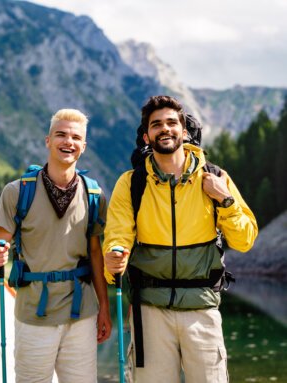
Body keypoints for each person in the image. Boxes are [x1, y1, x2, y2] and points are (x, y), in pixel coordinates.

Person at [103, 95, 258, 382]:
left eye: (172, 122)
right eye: (156, 124)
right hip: (149, 312)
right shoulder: (132, 183)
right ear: (147, 136)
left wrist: (224, 200)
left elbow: (245, 239)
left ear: (184, 131)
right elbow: (117, 234)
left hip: (202, 308)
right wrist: (114, 255)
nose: (165, 129)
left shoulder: (215, 177)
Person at [0, 108, 112, 383]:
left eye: (75, 137)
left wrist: (104, 307)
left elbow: (95, 253)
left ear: (84, 146)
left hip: (82, 313)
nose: (68, 142)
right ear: (48, 141)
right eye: (61, 134)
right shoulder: (17, 192)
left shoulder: (94, 195)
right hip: (33, 313)